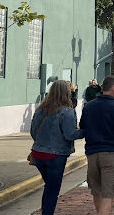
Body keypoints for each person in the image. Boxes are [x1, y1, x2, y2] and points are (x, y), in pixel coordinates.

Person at [80, 76, 114, 215]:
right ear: (113, 88)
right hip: (111, 153)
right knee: (107, 194)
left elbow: (82, 126)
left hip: (92, 153)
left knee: (96, 191)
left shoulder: (89, 106)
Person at [30, 80, 84, 215]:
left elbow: (33, 132)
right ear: (67, 93)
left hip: (38, 154)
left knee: (49, 187)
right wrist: (86, 131)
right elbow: (70, 134)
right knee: (52, 190)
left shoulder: (40, 109)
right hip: (56, 155)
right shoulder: (67, 111)